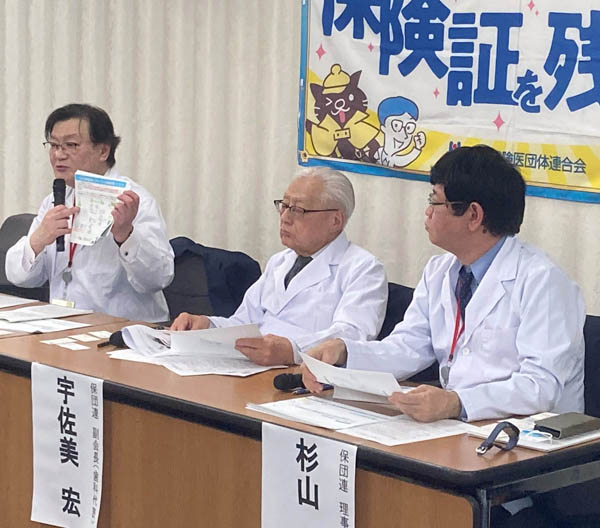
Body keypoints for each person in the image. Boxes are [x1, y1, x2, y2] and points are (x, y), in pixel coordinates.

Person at [303, 145, 585, 424]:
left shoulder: (543, 281)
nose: (427, 212)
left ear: (473, 216)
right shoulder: (439, 271)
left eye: (434, 201)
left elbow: (541, 386)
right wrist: (345, 351)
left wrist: (457, 402)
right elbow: (409, 347)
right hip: (461, 425)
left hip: (532, 436)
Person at [171, 166, 388, 366]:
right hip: (251, 368)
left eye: (298, 210)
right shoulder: (280, 261)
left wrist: (293, 350)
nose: (285, 218)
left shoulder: (363, 269)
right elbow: (245, 322)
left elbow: (351, 337)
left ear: (335, 221)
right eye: (284, 206)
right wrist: (207, 325)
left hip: (302, 376)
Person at [5, 103, 174, 322]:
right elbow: (21, 278)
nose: (58, 155)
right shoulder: (55, 200)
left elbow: (158, 278)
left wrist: (126, 235)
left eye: (71, 145)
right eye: (54, 145)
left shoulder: (133, 200)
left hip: (124, 330)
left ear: (103, 151)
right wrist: (38, 240)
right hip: (63, 324)